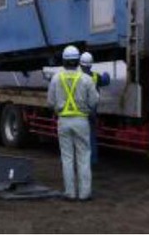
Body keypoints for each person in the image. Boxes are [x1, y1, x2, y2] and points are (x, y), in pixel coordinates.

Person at [47, 45, 99, 201]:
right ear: (78, 61)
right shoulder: (87, 79)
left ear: (64, 61)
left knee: (67, 158)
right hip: (81, 121)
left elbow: (50, 102)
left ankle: (70, 192)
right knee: (83, 157)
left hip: (63, 121)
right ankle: (85, 193)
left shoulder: (56, 78)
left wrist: (58, 110)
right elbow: (94, 101)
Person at [79, 52, 110, 165]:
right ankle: (93, 160)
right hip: (91, 112)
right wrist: (106, 73)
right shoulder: (96, 76)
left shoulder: (77, 77)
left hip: (79, 112)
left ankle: (82, 162)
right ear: (91, 65)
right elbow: (106, 80)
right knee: (91, 137)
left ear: (80, 64)